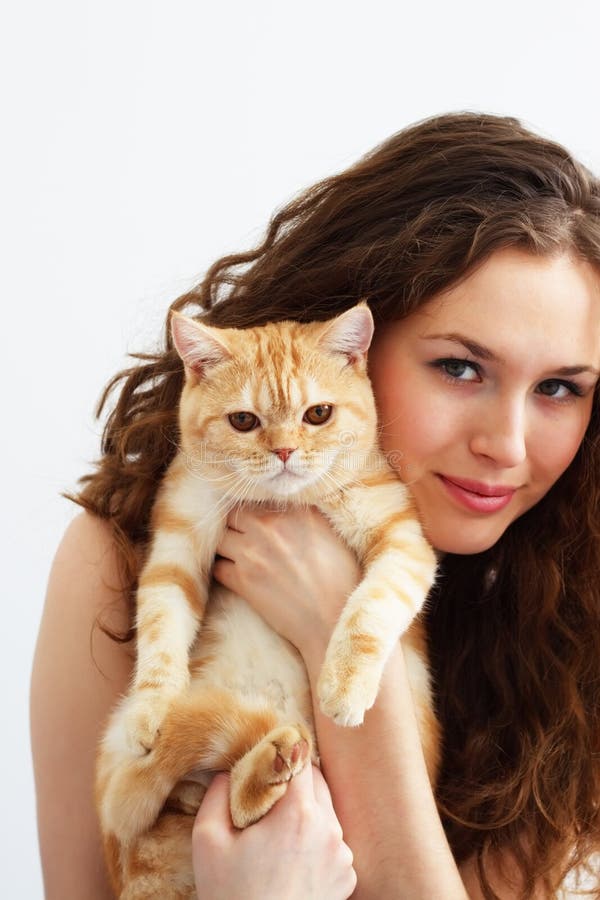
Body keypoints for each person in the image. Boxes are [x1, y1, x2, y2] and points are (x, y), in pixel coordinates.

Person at [31, 112, 600, 899]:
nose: (506, 445)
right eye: (462, 369)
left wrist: (335, 623)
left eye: (560, 388)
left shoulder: (574, 640)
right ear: (345, 352)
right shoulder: (118, 559)